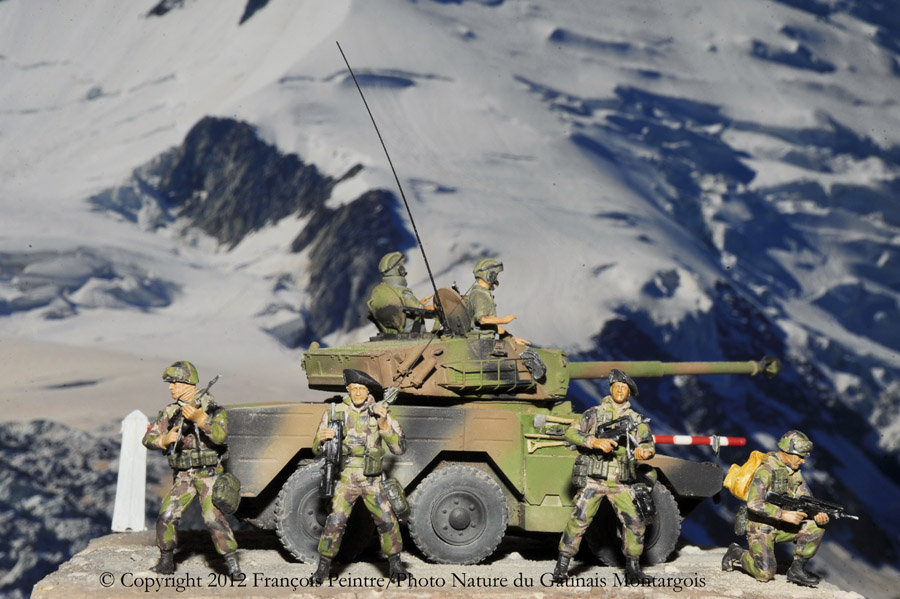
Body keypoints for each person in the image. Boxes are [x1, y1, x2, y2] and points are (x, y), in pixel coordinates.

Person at [551, 369, 655, 583]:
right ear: (610, 389)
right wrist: (593, 442)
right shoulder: (595, 413)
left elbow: (648, 445)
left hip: (622, 480)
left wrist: (644, 452)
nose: (619, 389)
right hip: (594, 479)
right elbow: (571, 432)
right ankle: (562, 566)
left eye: (624, 387)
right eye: (616, 385)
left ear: (629, 393)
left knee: (635, 522)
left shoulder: (636, 420)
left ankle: (633, 569)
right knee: (579, 520)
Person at [142, 361, 241, 578]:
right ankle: (166, 561)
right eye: (170, 383)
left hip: (208, 474)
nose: (171, 387)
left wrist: (201, 419)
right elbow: (147, 439)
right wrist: (164, 439)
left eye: (175, 382)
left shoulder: (212, 408)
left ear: (188, 383)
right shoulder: (170, 411)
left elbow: (221, 436)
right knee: (166, 515)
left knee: (213, 518)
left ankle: (232, 564)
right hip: (184, 477)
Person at [312, 369, 409, 581]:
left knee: (387, 520)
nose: (357, 393)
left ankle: (396, 566)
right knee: (335, 521)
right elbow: (315, 448)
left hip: (372, 477)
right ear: (348, 390)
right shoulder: (334, 412)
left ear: (368, 391)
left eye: (361, 389)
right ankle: (322, 568)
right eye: (353, 389)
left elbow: (399, 449)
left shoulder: (381, 411)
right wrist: (321, 440)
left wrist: (383, 425)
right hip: (345, 476)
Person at [721, 430, 827, 587]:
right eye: (800, 456)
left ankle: (796, 570)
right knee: (764, 573)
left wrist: (816, 513)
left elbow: (806, 498)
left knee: (816, 527)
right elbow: (754, 503)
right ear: (787, 452)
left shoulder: (794, 473)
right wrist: (782, 514)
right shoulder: (766, 470)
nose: (803, 461)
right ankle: (736, 552)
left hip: (781, 525)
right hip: (761, 526)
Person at [367, 251, 434, 335]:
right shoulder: (403, 292)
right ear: (400, 270)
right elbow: (420, 309)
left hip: (391, 334)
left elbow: (398, 308)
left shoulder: (379, 291)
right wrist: (427, 308)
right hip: (412, 334)